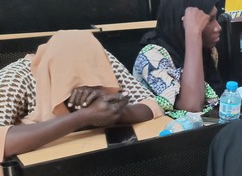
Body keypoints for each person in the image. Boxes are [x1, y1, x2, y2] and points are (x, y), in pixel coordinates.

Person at [0, 30, 162, 160]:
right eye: (74, 82)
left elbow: (153, 105)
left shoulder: (100, 58)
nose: (85, 88)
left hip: (94, 158)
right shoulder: (16, 77)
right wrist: (82, 117)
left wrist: (112, 111)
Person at [134, 0, 223, 118]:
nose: (218, 27)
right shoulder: (151, 56)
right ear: (183, 25)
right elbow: (192, 106)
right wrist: (193, 34)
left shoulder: (209, 51)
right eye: (209, 20)